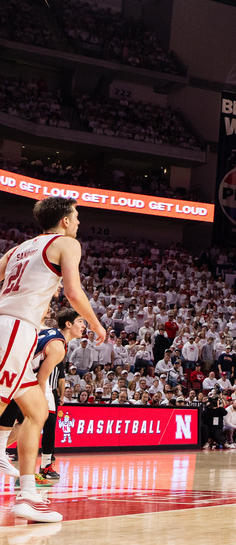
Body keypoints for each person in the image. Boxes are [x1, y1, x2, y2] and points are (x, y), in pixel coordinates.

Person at [0, 196, 106, 523]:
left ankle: (28, 494)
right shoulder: (66, 244)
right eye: (76, 217)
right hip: (15, 328)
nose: (78, 223)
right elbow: (73, 292)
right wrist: (97, 324)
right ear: (64, 220)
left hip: (11, 326)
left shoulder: (17, 249)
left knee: (37, 411)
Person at [0, 308, 85, 484]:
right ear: (68, 324)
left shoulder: (48, 331)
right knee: (33, 419)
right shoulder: (58, 347)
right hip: (17, 374)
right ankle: (24, 475)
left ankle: (9, 459)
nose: (84, 326)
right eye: (80, 322)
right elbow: (39, 380)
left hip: (13, 369)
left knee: (23, 422)